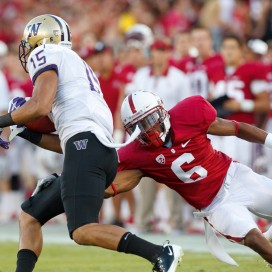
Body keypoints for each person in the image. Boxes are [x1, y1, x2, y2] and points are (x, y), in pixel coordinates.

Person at [0, 15, 182, 272]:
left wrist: (4, 120)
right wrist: (26, 132)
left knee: (82, 230)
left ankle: (160, 253)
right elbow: (66, 141)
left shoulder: (46, 53)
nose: (27, 50)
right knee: (30, 216)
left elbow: (38, 106)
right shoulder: (75, 73)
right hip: (94, 150)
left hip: (87, 149)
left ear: (43, 39)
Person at [10, 90, 272, 268]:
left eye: (151, 120)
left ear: (163, 111)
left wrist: (269, 140)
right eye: (140, 126)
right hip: (215, 205)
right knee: (254, 239)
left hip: (236, 176)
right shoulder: (136, 152)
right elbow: (107, 183)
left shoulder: (190, 113)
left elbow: (237, 128)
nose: (149, 129)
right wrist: (62, 185)